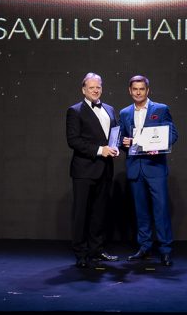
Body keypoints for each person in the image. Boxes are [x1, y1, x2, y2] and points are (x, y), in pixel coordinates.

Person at [119, 75, 178, 266]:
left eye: (141, 89)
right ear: (130, 91)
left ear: (147, 90)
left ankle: (165, 250)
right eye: (135, 89)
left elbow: (173, 134)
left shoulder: (160, 109)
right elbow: (122, 140)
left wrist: (159, 146)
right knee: (141, 211)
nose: (138, 92)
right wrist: (123, 142)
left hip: (155, 168)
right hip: (135, 168)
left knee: (161, 210)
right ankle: (144, 247)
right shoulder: (125, 113)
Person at [66, 72, 120, 268]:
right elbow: (73, 140)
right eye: (91, 87)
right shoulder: (75, 111)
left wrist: (119, 145)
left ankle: (96, 250)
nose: (95, 90)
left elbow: (114, 135)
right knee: (81, 213)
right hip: (84, 170)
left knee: (99, 212)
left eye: (98, 87)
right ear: (84, 90)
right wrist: (100, 150)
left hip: (105, 169)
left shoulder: (109, 109)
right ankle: (80, 253)